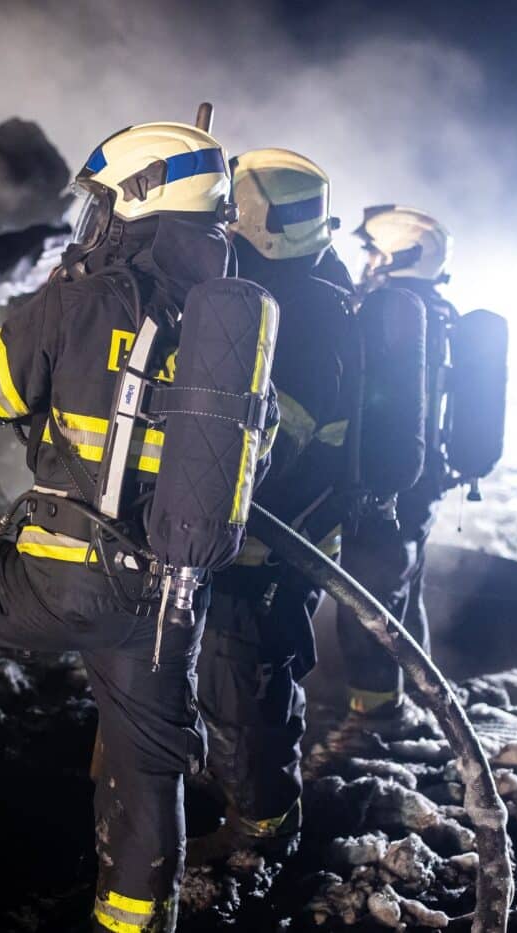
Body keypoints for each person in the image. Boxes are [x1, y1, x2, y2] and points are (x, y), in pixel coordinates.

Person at [0, 117, 278, 932]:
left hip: (63, 579)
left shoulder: (79, 303)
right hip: (169, 602)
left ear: (142, 202)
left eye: (106, 204)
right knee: (146, 772)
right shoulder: (229, 322)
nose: (95, 222)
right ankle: (131, 923)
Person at [196, 148, 356, 853]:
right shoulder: (299, 281)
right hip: (253, 533)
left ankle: (263, 828)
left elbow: (276, 440)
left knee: (249, 685)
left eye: (235, 212)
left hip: (271, 541)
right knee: (224, 676)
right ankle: (230, 790)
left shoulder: (310, 317)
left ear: (261, 226)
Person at [336, 206, 455, 722]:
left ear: (399, 255)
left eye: (373, 251)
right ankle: (419, 692)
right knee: (405, 586)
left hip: (388, 483)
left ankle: (375, 715)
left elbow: (370, 402)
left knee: (370, 603)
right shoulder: (437, 311)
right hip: (422, 480)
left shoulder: (390, 313)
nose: (366, 261)